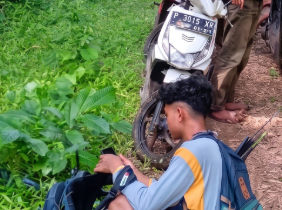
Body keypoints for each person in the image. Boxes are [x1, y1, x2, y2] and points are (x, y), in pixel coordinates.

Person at [93, 75, 223, 210]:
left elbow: (147, 205)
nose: (165, 121)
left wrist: (116, 168)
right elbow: (166, 192)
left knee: (118, 203)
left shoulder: (190, 153)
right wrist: (132, 173)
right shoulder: (211, 144)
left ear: (179, 114)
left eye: (166, 115)